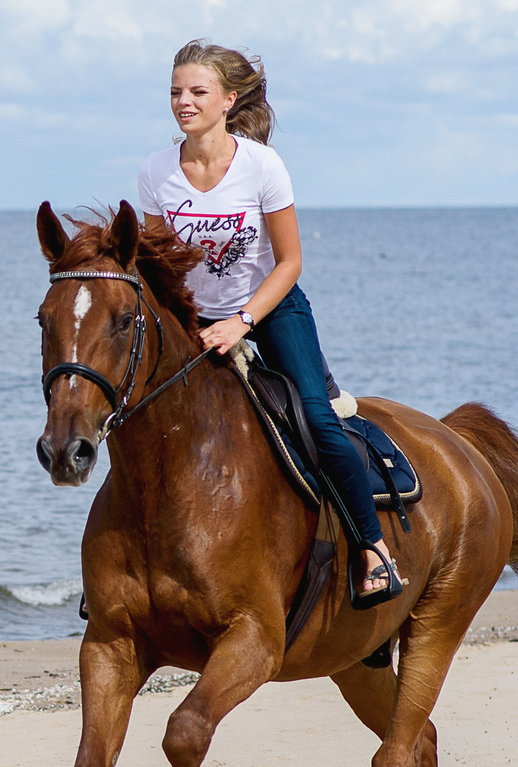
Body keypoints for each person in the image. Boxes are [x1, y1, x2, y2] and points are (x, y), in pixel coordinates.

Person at [136, 39, 402, 603]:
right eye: (176, 92)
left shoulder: (261, 165)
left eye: (198, 91)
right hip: (194, 317)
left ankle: (372, 547)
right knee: (138, 419)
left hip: (271, 306)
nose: (184, 102)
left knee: (317, 420)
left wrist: (242, 320)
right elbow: (160, 267)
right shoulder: (156, 171)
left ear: (228, 100)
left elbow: (290, 262)